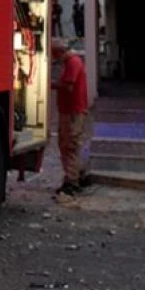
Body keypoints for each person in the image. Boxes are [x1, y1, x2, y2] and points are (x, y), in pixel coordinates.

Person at [51, 37, 92, 198]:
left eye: (55, 55)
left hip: (73, 111)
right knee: (67, 144)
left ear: (60, 52)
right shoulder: (71, 62)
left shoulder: (73, 63)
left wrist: (50, 84)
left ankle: (72, 181)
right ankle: (73, 177)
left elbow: (68, 85)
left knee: (70, 145)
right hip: (70, 110)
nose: (55, 59)